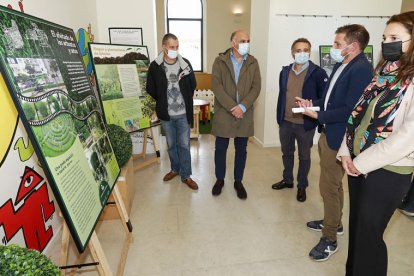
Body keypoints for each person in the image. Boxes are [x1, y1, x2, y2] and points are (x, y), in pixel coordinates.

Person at [337, 12, 414, 275]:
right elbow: (358, 115)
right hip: (357, 162)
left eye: (395, 38)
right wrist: (347, 152)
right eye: (384, 37)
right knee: (357, 229)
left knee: (370, 235)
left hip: (390, 169)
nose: (386, 43)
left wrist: (360, 162)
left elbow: (407, 137)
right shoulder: (383, 71)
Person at [296, 24, 373, 261]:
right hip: (328, 131)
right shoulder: (342, 63)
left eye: (338, 43)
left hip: (339, 137)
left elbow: (350, 110)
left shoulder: (361, 69)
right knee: (333, 185)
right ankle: (335, 222)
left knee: (328, 187)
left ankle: (330, 238)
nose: (334, 47)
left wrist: (317, 115)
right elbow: (329, 99)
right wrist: (313, 104)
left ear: (353, 45)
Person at [272, 38, 328, 202]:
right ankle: (288, 180)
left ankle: (302, 185)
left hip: (305, 124)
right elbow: (283, 95)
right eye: (298, 50)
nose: (302, 53)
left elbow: (323, 99)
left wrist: (312, 110)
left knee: (304, 156)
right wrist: (280, 116)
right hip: (286, 122)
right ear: (292, 52)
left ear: (309, 52)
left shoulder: (318, 73)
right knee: (287, 153)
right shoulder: (285, 71)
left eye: (305, 50)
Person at [210, 30, 261, 199]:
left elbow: (256, 87)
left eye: (248, 40)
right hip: (225, 111)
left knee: (241, 149)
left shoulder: (253, 62)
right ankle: (219, 179)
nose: (246, 43)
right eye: (242, 40)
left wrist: (243, 107)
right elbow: (217, 86)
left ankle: (238, 181)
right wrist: (234, 107)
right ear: (233, 42)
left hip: (244, 113)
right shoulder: (220, 61)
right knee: (221, 148)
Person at [146, 33, 198, 190]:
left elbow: (192, 85)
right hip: (166, 115)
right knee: (171, 145)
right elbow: (151, 88)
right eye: (172, 47)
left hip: (183, 114)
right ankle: (175, 169)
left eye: (177, 47)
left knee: (184, 145)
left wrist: (183, 102)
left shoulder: (185, 64)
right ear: (164, 47)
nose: (175, 50)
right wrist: (163, 100)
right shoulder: (155, 67)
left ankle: (186, 175)